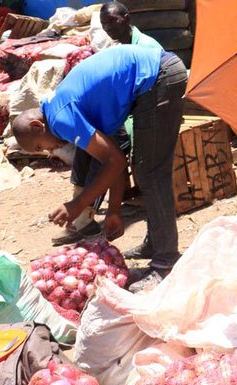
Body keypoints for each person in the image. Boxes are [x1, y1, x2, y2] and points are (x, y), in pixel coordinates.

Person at [11, 45, 187, 286]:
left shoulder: (60, 118)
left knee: (151, 173)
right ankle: (156, 244)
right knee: (144, 169)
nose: (50, 152)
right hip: (154, 74)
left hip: (158, 76)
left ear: (36, 126)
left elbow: (114, 161)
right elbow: (113, 157)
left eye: (41, 146)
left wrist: (78, 203)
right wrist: (113, 211)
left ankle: (166, 263)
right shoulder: (60, 107)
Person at [52, 1, 164, 246]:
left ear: (127, 18)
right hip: (119, 115)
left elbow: (146, 94)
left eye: (114, 21)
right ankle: (82, 214)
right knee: (85, 147)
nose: (109, 27)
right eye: (105, 24)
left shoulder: (146, 47)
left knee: (109, 153)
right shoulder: (118, 47)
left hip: (138, 115)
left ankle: (84, 214)